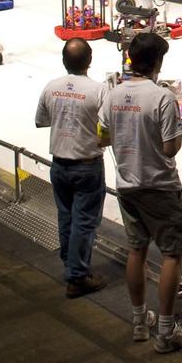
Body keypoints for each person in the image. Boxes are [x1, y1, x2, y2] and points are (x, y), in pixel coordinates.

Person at [97, 33, 182, 351]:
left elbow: (102, 136)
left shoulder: (113, 94)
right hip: (160, 187)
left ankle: (140, 321)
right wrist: (180, 131)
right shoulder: (162, 98)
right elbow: (169, 149)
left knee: (136, 250)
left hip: (127, 185)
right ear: (157, 62)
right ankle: (167, 332)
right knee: (172, 253)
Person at [34, 39, 109, 297]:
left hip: (59, 164)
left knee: (66, 217)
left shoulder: (51, 87)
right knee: (85, 221)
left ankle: (71, 264)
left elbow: (41, 121)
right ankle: (76, 277)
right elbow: (107, 128)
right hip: (87, 166)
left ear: (64, 61)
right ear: (89, 60)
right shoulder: (99, 91)